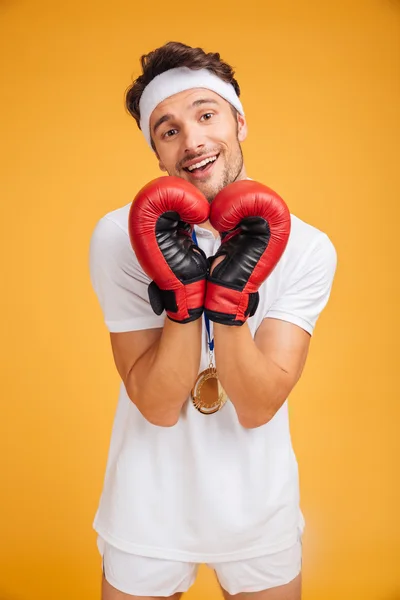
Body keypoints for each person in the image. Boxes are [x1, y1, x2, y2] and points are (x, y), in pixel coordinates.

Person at [89, 41, 337, 600]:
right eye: (168, 129)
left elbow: (256, 405)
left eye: (206, 115)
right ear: (156, 152)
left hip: (258, 502)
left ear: (239, 122)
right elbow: (155, 404)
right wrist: (181, 296)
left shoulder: (307, 246)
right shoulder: (117, 237)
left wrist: (228, 298)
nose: (193, 140)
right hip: (147, 501)